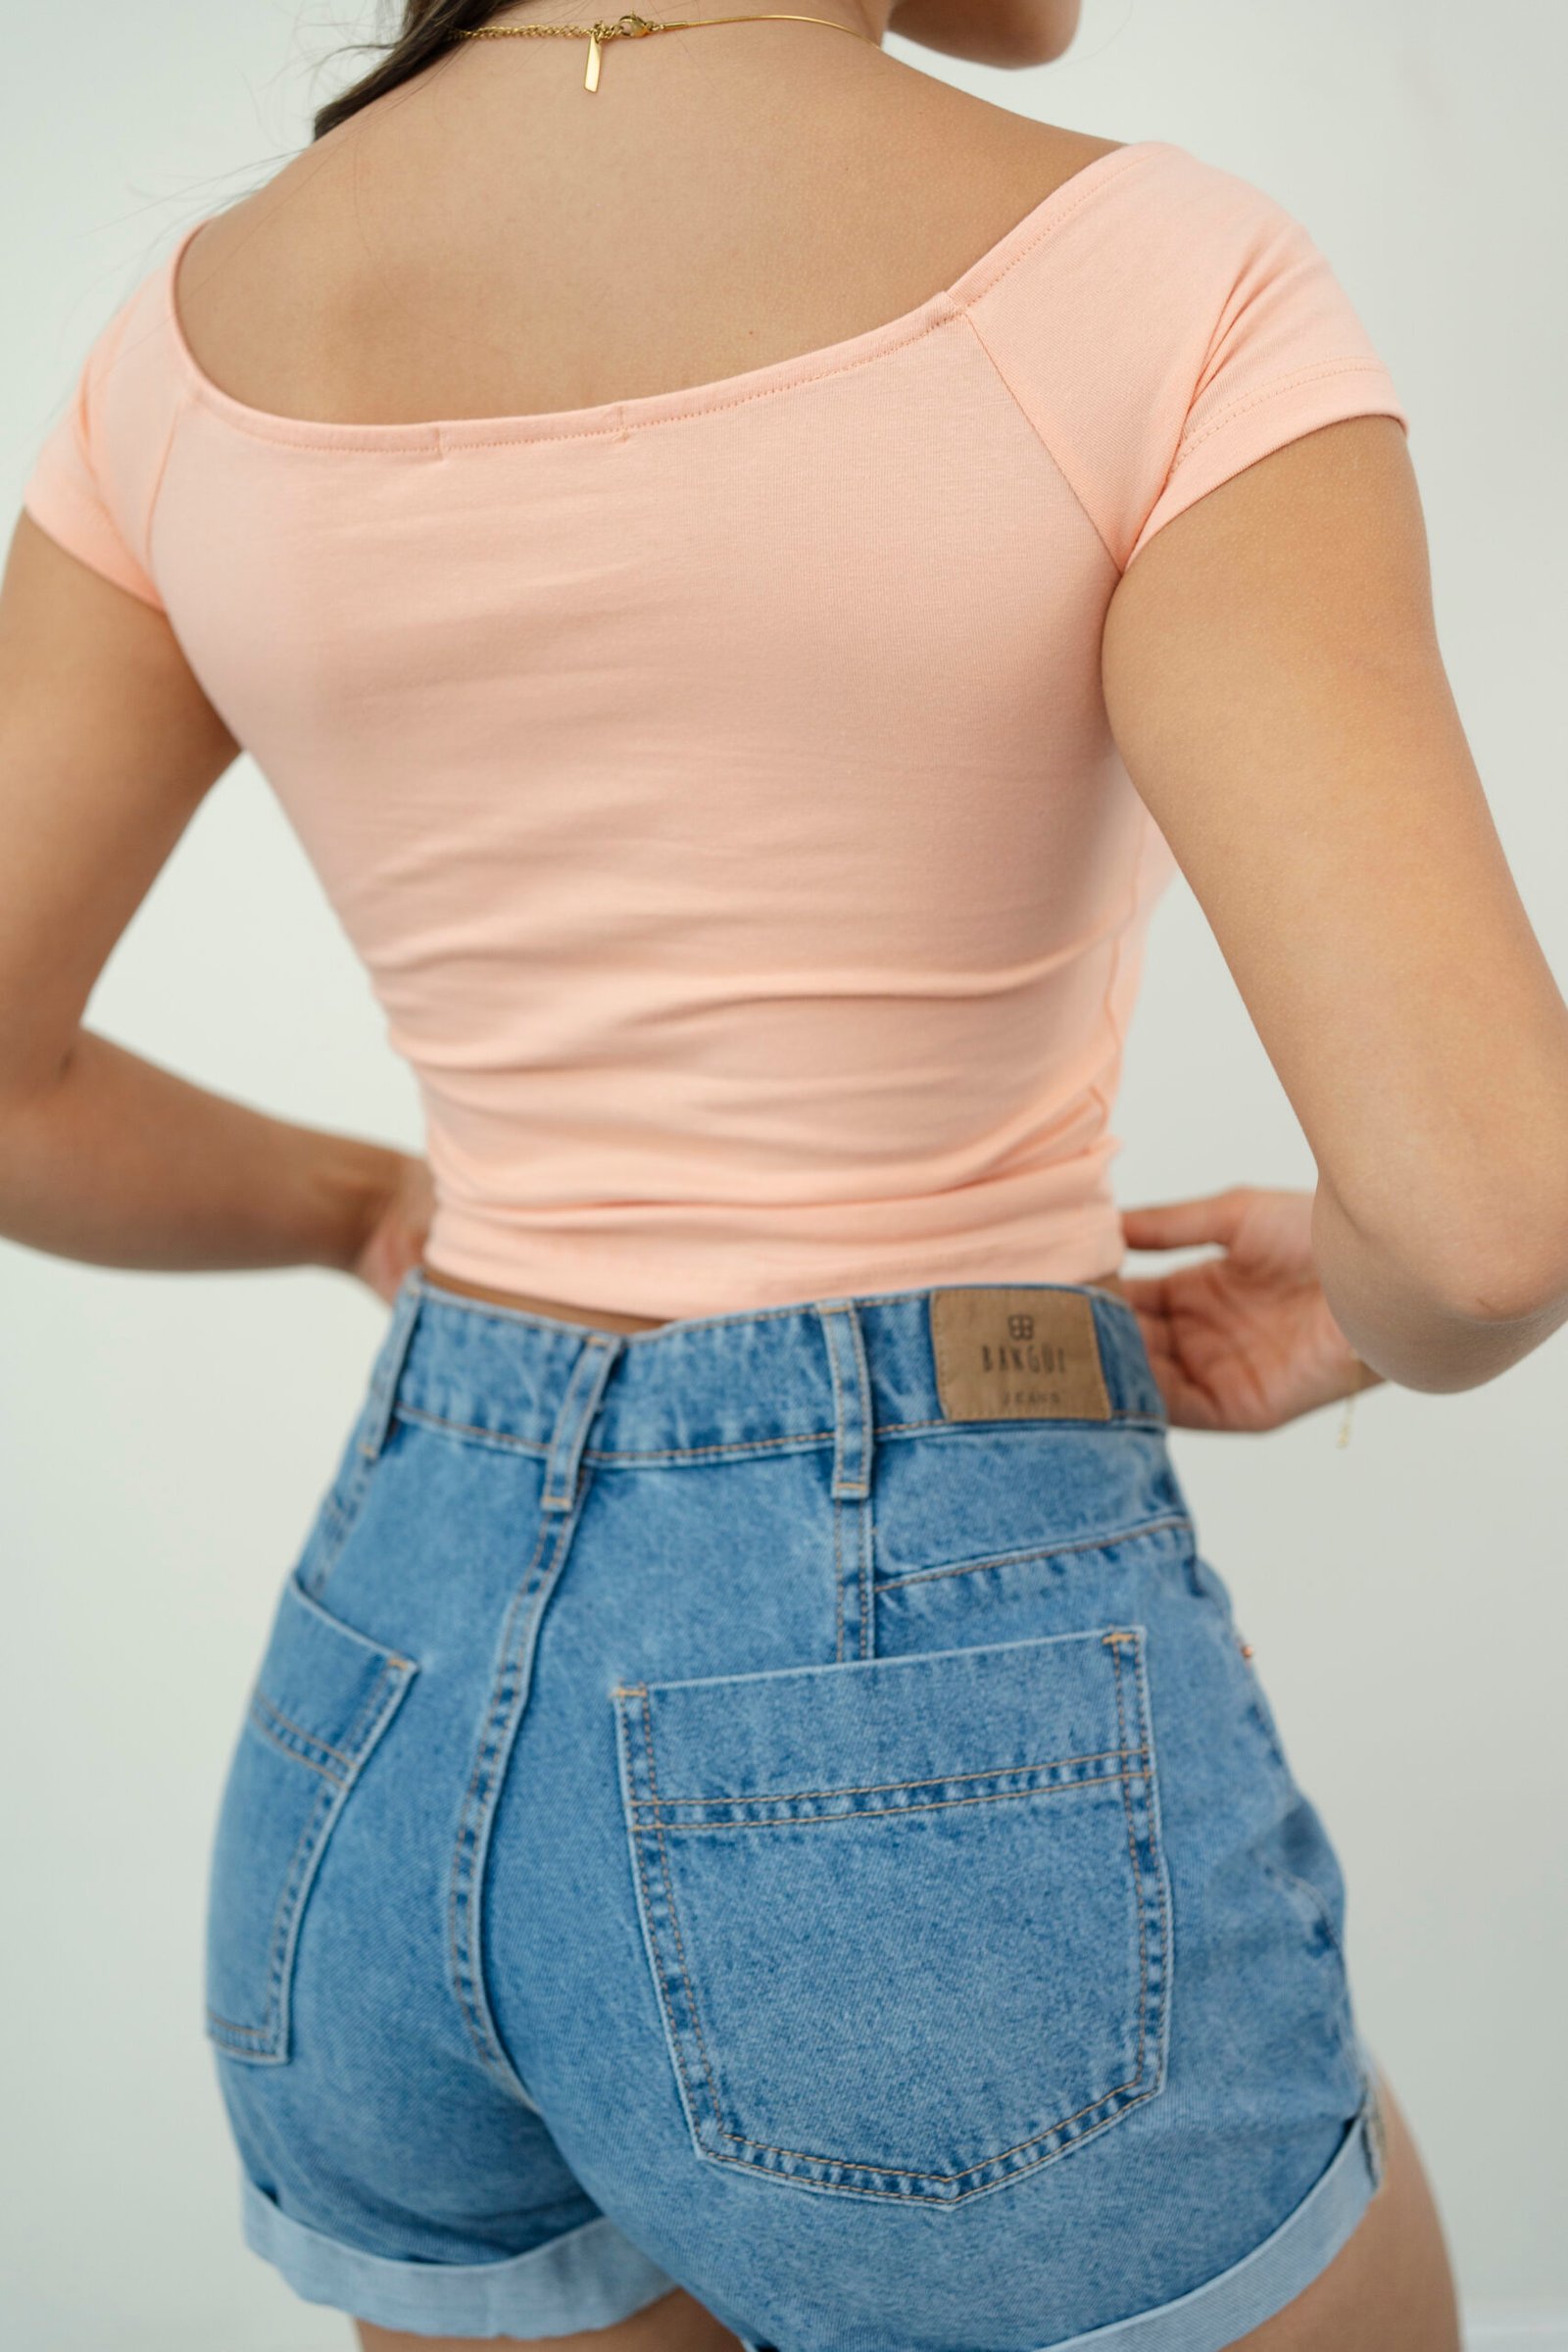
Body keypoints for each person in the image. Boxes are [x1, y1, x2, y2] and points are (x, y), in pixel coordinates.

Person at [5, 0, 1565, 2345]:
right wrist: (1350, 1299)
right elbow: (1480, 1217)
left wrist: (360, 1208)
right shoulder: (1150, 280)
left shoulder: (188, 341)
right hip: (906, 1719)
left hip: (379, 1700)